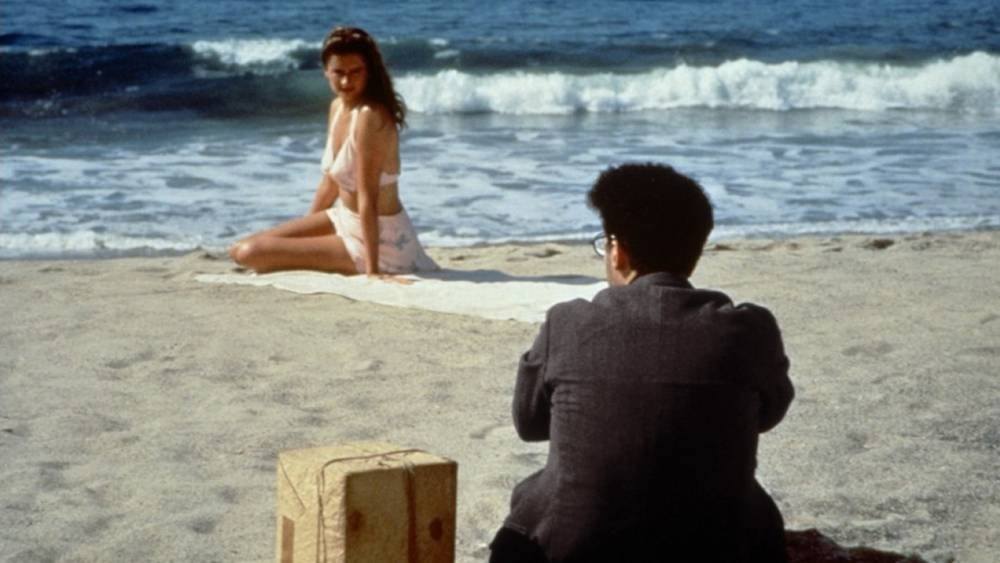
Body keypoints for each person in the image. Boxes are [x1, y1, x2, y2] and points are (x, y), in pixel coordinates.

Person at [490, 163, 794, 563]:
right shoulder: (749, 328)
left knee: (538, 491)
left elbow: (529, 424)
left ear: (618, 251)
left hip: (573, 551)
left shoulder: (567, 322)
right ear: (695, 250)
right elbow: (767, 415)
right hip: (719, 548)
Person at [229, 26, 437, 276]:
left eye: (355, 72)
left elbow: (367, 196)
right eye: (339, 72)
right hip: (343, 218)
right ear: (326, 71)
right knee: (238, 249)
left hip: (382, 240)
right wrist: (306, 230)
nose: (346, 81)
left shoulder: (370, 116)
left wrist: (372, 272)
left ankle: (368, 262)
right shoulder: (337, 107)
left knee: (249, 252)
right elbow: (330, 182)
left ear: (369, 71)